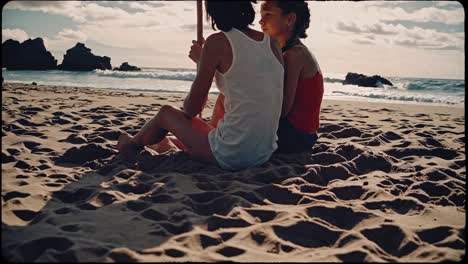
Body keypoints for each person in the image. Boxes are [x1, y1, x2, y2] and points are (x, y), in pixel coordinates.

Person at [116, 0, 284, 170]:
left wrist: (201, 61)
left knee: (165, 113)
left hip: (234, 154)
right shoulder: (272, 43)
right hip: (264, 153)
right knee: (209, 126)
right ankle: (164, 144)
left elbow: (191, 109)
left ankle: (132, 144)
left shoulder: (218, 42)